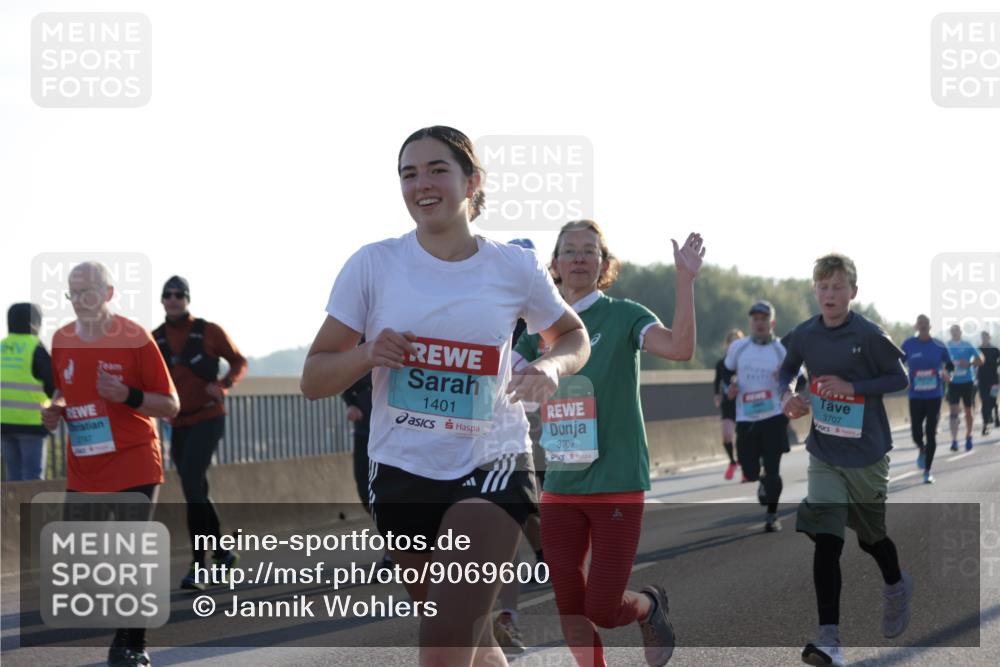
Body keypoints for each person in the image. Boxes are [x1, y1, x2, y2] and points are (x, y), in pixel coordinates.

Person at [300, 126, 590, 667]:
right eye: (409, 174)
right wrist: (368, 354)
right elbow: (314, 379)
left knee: (444, 643)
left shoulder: (513, 266)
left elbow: (573, 335)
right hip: (401, 470)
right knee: (469, 641)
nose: (422, 185)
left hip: (491, 461)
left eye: (437, 170)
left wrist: (550, 366)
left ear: (472, 182)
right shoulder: (373, 264)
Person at [515, 220, 705, 667]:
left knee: (601, 606)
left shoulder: (624, 315)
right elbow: (501, 378)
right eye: (569, 250)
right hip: (561, 482)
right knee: (569, 606)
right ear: (555, 265)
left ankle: (648, 606)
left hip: (616, 478)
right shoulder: (537, 329)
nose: (579, 258)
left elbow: (680, 348)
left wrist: (685, 280)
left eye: (590, 250)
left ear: (604, 264)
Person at [42, 261, 179, 667]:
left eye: (88, 291)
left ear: (108, 293)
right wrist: (55, 408)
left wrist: (127, 395)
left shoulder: (135, 338)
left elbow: (171, 405)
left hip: (134, 459)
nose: (80, 300)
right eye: (73, 293)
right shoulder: (62, 340)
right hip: (86, 465)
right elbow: (65, 388)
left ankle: (131, 644)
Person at [779, 253, 912, 667]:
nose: (830, 294)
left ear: (853, 291)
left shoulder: (868, 334)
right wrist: (788, 396)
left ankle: (896, 585)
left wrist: (853, 386)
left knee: (871, 539)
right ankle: (830, 641)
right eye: (823, 287)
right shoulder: (805, 334)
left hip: (867, 452)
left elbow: (900, 377)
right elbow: (785, 370)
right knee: (827, 539)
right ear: (815, 290)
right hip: (825, 451)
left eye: (838, 287)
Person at [152, 276, 247, 590]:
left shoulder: (209, 330)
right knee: (196, 491)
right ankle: (222, 554)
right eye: (168, 294)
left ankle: (198, 565)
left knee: (193, 483)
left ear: (187, 299)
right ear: (162, 300)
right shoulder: (155, 338)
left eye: (179, 294)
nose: (173, 299)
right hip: (178, 424)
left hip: (209, 417)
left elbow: (239, 361)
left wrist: (223, 384)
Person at [724, 301, 789, 532]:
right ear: (750, 322)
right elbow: (726, 371)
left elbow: (799, 378)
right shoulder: (738, 347)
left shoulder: (781, 349)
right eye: (755, 319)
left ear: (772, 322)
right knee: (749, 471)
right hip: (746, 418)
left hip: (774, 417)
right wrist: (729, 388)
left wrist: (784, 377)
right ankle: (760, 480)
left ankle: (772, 515)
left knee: (773, 470)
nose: (760, 323)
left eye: (764, 319)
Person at [2, 303, 55, 480]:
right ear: (35, 323)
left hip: (3, 423)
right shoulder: (35, 347)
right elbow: (52, 383)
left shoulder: (1, 347)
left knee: (13, 479)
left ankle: (14, 500)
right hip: (32, 422)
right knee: (33, 479)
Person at [900, 315, 954, 483]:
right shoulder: (908, 344)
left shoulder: (939, 345)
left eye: (926, 324)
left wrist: (948, 374)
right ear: (916, 326)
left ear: (930, 326)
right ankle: (921, 448)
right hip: (915, 396)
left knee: (931, 432)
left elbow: (950, 365)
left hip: (934, 396)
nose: (923, 326)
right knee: (916, 433)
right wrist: (903, 378)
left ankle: (927, 471)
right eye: (920, 323)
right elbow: (898, 363)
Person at [945, 325, 982, 451]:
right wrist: (944, 373)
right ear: (950, 333)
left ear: (960, 332)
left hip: (967, 382)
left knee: (968, 411)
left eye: (957, 331)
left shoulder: (967, 344)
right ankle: (954, 440)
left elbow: (981, 359)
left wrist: (969, 363)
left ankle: (969, 435)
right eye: (952, 331)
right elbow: (940, 362)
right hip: (953, 383)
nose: (955, 333)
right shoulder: (947, 346)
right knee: (953, 411)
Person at [713, 329, 743, 481]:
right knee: (726, 436)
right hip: (728, 403)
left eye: (737, 342)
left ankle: (745, 467)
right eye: (731, 343)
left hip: (744, 403)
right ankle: (732, 462)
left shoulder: (745, 362)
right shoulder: (721, 363)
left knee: (743, 438)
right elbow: (717, 380)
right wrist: (717, 395)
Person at [977, 331, 999, 436]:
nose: (984, 339)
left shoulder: (995, 350)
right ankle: (985, 425)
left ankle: (996, 416)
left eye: (986, 337)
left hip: (994, 380)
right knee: (985, 402)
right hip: (982, 380)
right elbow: (973, 361)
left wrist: (996, 364)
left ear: (989, 338)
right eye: (983, 337)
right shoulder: (978, 350)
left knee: (993, 401)